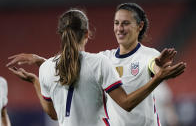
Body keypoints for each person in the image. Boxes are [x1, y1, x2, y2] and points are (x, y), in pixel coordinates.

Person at [7, 9, 186, 126]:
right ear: (86, 33)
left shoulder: (45, 69)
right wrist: (158, 79)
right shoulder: (98, 62)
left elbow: (53, 114)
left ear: (61, 35)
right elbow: (127, 103)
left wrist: (34, 80)